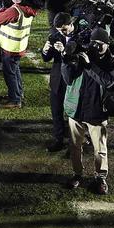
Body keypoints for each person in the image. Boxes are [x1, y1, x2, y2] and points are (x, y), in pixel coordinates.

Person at [62, 27, 114, 194]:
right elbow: (68, 79)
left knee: (100, 148)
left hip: (97, 110)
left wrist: (89, 65)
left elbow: (107, 81)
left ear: (108, 44)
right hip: (77, 108)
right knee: (75, 145)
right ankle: (77, 174)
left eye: (100, 44)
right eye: (93, 43)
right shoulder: (84, 55)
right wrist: (66, 60)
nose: (96, 46)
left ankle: (101, 177)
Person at [0, 0, 39, 109]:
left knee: (10, 73)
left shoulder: (14, 11)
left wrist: (3, 8)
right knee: (15, 71)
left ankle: (15, 100)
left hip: (10, 47)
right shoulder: (27, 7)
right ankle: (18, 93)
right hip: (19, 46)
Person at [42, 13, 75, 153]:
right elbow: (47, 58)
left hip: (73, 80)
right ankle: (58, 139)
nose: (60, 32)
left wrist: (64, 52)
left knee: (74, 114)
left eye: (63, 29)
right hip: (57, 79)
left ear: (71, 24)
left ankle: (75, 143)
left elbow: (79, 60)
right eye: (58, 30)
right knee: (56, 111)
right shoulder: (55, 35)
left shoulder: (80, 37)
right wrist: (44, 51)